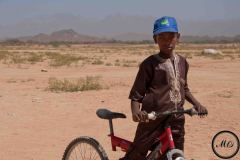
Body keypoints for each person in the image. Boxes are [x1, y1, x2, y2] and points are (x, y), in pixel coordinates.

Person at [121, 16, 208, 160]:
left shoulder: (183, 62)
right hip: (152, 119)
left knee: (175, 154)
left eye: (171, 36)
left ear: (178, 37)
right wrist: (136, 113)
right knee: (137, 153)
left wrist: (197, 104)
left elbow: (183, 88)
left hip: (177, 117)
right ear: (155, 39)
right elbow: (136, 95)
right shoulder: (149, 64)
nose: (167, 41)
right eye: (162, 37)